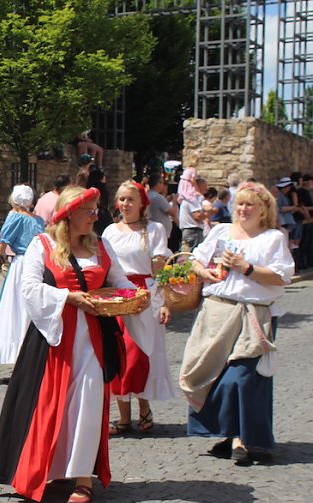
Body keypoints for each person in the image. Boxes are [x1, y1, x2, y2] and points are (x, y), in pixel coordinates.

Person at [0, 186, 150, 503]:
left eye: (96, 210)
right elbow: (28, 286)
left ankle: (82, 479)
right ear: (67, 215)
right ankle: (47, 470)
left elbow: (119, 282)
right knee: (51, 405)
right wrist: (67, 298)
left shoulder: (101, 247)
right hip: (53, 340)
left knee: (88, 404)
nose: (96, 216)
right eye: (89, 210)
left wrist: (138, 297)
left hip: (93, 338)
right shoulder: (42, 245)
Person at [180, 182, 294, 465]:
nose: (243, 209)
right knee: (206, 375)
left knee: (242, 377)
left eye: (250, 205)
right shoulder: (220, 231)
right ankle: (229, 432)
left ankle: (244, 439)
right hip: (217, 312)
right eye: (240, 204)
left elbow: (281, 277)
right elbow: (193, 259)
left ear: (264, 209)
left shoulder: (272, 239)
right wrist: (202, 271)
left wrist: (247, 268)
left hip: (253, 314)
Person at [102, 182, 175, 435]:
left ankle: (144, 408)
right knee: (118, 354)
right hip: (117, 297)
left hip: (144, 296)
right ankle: (123, 417)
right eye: (121, 199)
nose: (125, 204)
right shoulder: (110, 231)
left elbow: (160, 268)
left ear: (142, 202)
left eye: (130, 199)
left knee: (140, 354)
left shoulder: (153, 230)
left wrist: (164, 301)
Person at [0, 184, 44, 364]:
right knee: (27, 306)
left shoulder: (14, 216)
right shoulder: (38, 220)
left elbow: (2, 247)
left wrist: (2, 249)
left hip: (20, 265)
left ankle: (13, 349)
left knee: (13, 305)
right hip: (36, 264)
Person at [178, 168, 207, 250]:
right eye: (205, 186)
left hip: (190, 231)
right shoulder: (192, 198)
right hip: (193, 232)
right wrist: (207, 214)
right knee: (191, 256)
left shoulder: (188, 198)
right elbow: (197, 216)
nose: (206, 189)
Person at [146, 172, 177, 242]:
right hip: (161, 233)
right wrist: (174, 200)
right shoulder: (158, 197)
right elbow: (173, 212)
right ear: (158, 183)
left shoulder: (148, 195)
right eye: (162, 183)